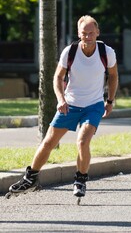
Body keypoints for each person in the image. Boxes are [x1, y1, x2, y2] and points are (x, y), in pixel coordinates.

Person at [8, 15, 118, 198]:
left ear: (97, 32)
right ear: (79, 33)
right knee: (49, 142)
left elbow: (113, 76)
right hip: (71, 104)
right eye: (84, 33)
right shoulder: (70, 51)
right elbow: (58, 77)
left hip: (94, 105)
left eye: (91, 33)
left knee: (83, 141)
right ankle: (31, 177)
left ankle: (80, 179)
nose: (88, 36)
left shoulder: (107, 52)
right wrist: (61, 99)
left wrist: (110, 100)